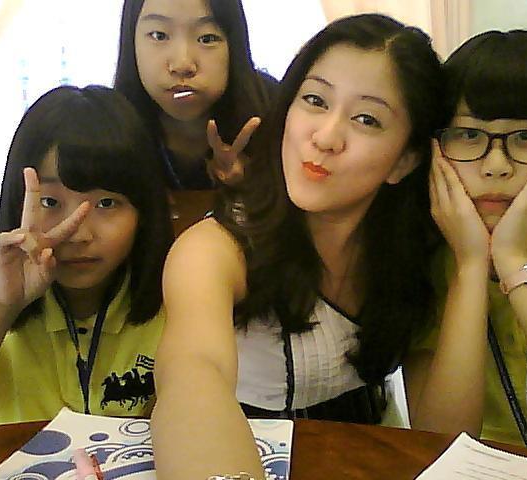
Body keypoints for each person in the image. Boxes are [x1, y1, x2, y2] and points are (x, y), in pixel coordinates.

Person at [152, 13, 446, 479]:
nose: (325, 138)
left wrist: (472, 265)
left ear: (405, 160)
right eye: (315, 100)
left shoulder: (414, 255)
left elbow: (446, 437)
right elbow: (192, 374)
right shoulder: (214, 249)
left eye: (367, 119)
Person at [403, 30, 527, 462]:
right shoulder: (424, 259)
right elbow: (439, 447)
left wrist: (516, 261)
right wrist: (471, 267)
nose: (496, 166)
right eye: (468, 135)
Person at [0, 85, 174, 424]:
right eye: (50, 202)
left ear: (144, 211)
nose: (78, 233)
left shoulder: (176, 294)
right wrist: (1, 305)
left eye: (106, 203)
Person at [114, 0, 278, 190]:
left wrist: (253, 184)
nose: (182, 65)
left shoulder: (276, 110)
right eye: (159, 35)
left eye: (207, 38)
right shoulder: (107, 131)